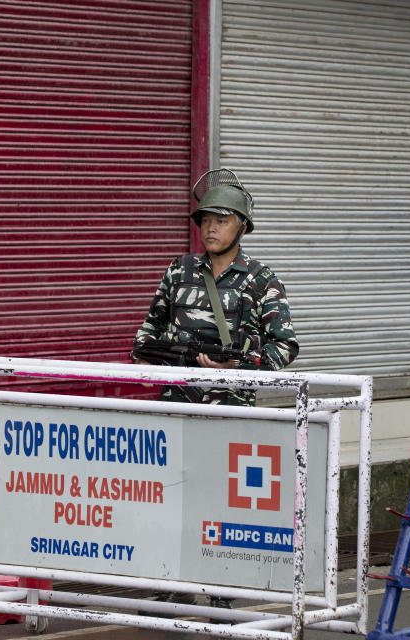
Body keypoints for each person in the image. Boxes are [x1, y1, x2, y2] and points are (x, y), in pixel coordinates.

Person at [131, 168, 299, 607]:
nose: (210, 228)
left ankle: (222, 591)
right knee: (172, 497)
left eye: (221, 220)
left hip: (232, 413)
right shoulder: (178, 270)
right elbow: (144, 341)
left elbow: (285, 346)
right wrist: (172, 359)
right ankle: (172, 583)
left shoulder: (261, 279)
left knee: (224, 505)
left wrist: (240, 366)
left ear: (241, 225)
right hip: (175, 409)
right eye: (205, 219)